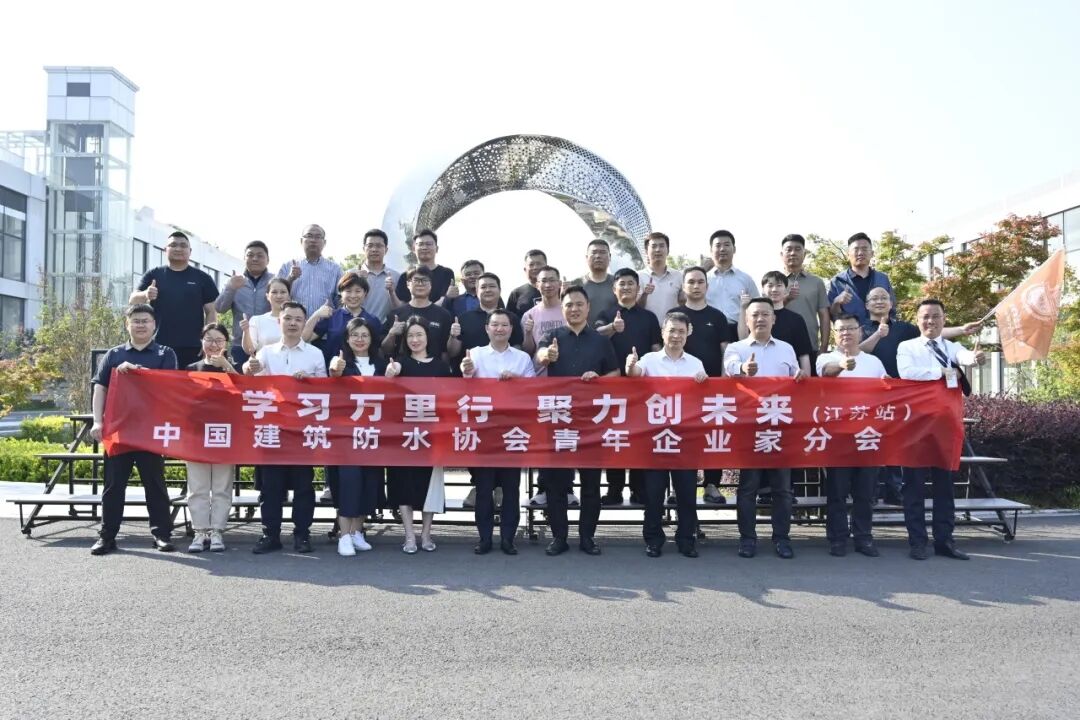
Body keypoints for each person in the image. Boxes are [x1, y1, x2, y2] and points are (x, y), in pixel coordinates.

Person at [897, 299, 986, 561]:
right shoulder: (907, 347)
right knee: (913, 486)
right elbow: (907, 372)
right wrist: (943, 371)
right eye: (925, 316)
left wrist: (974, 358)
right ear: (917, 320)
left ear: (944, 320)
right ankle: (917, 542)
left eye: (936, 316)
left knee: (945, 487)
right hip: (915, 425)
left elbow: (965, 357)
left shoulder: (951, 347)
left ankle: (945, 541)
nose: (930, 321)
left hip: (945, 425)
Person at [535, 285, 619, 556]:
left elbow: (616, 374)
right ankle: (559, 537)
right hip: (559, 420)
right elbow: (539, 355)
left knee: (591, 484)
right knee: (556, 484)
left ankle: (587, 538)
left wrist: (599, 379)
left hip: (591, 422)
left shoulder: (600, 340)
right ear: (562, 309)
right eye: (569, 304)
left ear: (588, 308)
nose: (574, 309)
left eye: (579, 304)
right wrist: (547, 356)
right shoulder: (552, 336)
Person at [89, 304, 179, 556]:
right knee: (113, 486)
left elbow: (171, 385)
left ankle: (161, 535)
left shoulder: (165, 353)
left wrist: (139, 372)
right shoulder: (114, 354)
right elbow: (100, 388)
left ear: (154, 325)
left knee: (155, 484)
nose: (141, 325)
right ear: (127, 324)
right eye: (136, 321)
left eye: (145, 321)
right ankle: (107, 536)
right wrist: (98, 421)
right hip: (118, 430)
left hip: (150, 430)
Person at [724, 298, 806, 560]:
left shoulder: (786, 348)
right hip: (749, 428)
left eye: (765, 314)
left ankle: (782, 538)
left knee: (782, 488)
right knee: (748, 487)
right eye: (755, 315)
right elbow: (730, 368)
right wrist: (743, 369)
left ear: (774, 319)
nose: (760, 319)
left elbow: (797, 379)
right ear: (747, 320)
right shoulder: (736, 348)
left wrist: (800, 377)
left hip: (780, 428)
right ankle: (748, 539)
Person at [243, 301, 327, 554]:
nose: (292, 323)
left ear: (304, 323)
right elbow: (251, 378)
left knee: (304, 486)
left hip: (303, 431)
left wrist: (310, 382)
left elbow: (327, 391)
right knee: (271, 487)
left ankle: (302, 534)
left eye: (298, 319)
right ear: (279, 321)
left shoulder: (315, 354)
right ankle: (270, 535)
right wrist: (249, 368)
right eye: (288, 318)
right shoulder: (266, 352)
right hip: (272, 430)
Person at [626, 311, 708, 558]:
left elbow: (703, 399)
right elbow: (635, 374)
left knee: (686, 494)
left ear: (688, 333)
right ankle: (653, 540)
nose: (676, 336)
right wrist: (630, 365)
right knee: (653, 494)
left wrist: (704, 381)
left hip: (685, 438)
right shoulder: (650, 360)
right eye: (671, 330)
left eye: (681, 331)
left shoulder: (695, 363)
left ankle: (686, 540)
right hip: (656, 437)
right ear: (663, 333)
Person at [461, 309, 536, 555]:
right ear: (487, 328)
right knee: (484, 489)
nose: (500, 329)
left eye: (504, 325)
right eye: (495, 325)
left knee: (511, 488)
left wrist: (516, 379)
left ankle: (507, 538)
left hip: (513, 431)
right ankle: (484, 538)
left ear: (512, 329)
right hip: (484, 431)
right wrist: (466, 372)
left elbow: (534, 390)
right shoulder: (475, 354)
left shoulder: (522, 358)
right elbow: (465, 386)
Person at [816, 314, 888, 558]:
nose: (846, 333)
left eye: (851, 328)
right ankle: (837, 539)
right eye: (841, 330)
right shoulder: (826, 358)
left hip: (868, 435)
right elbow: (826, 373)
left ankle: (863, 537)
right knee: (837, 492)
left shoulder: (874, 362)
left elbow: (886, 391)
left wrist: (889, 385)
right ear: (834, 335)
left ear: (860, 332)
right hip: (838, 436)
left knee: (865, 492)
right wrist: (842, 366)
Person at [385, 316, 452, 554]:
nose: (415, 340)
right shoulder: (401, 363)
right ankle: (409, 535)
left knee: (429, 487)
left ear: (427, 337)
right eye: (410, 336)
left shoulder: (441, 366)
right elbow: (389, 382)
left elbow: (450, 398)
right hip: (403, 436)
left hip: (432, 436)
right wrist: (391, 372)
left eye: (419, 335)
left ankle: (426, 534)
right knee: (403, 484)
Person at [669, 266, 736, 504]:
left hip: (711, 386)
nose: (696, 286)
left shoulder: (717, 316)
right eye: (691, 282)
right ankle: (676, 488)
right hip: (680, 389)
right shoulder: (674, 314)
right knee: (678, 434)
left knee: (712, 435)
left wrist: (723, 382)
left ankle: (712, 485)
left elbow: (725, 350)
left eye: (700, 282)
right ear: (683, 286)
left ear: (707, 286)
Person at [596, 267, 661, 505]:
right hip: (612, 386)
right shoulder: (606, 314)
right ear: (614, 289)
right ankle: (614, 490)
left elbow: (656, 349)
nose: (626, 287)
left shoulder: (649, 317)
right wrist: (613, 328)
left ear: (638, 288)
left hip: (642, 387)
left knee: (640, 439)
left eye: (630, 283)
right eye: (621, 284)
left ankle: (638, 489)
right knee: (615, 438)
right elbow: (595, 335)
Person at [327, 317, 387, 556]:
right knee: (348, 483)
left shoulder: (381, 363)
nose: (360, 340)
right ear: (347, 338)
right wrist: (335, 371)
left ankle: (357, 532)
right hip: (346, 437)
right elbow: (333, 376)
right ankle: (344, 535)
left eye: (364, 335)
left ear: (371, 338)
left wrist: (393, 376)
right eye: (355, 335)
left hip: (373, 436)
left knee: (369, 483)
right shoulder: (340, 362)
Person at [184, 323, 239, 553]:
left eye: (219, 340)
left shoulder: (233, 368)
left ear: (226, 343)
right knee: (198, 486)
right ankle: (199, 531)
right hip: (196, 435)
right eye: (209, 339)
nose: (213, 344)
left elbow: (244, 391)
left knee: (221, 487)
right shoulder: (191, 368)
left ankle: (217, 531)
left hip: (225, 435)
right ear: (201, 341)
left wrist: (226, 366)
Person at [130, 230, 218, 368]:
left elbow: (211, 311)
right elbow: (132, 300)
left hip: (193, 347)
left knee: (191, 382)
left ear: (190, 251)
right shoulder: (154, 274)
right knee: (159, 382)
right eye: (173, 245)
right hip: (158, 345)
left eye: (183, 245)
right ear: (165, 249)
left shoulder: (202, 278)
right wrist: (146, 294)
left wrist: (208, 341)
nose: (178, 249)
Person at [738, 271, 813, 376]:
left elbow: (803, 354)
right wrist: (743, 308)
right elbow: (742, 339)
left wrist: (806, 379)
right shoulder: (755, 317)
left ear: (786, 290)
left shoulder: (796, 319)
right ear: (763, 290)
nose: (774, 289)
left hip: (787, 376)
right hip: (757, 375)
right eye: (770, 285)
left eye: (779, 285)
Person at [302, 271, 381, 369]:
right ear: (341, 293)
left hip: (364, 373)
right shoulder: (331, 317)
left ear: (365, 293)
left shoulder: (373, 320)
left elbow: (377, 350)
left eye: (358, 291)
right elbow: (304, 338)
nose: (353, 295)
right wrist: (316, 315)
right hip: (334, 372)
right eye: (348, 291)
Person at [215, 240, 273, 365]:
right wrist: (231, 288)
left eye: (260, 255)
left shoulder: (274, 281)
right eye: (250, 255)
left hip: (269, 345)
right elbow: (220, 308)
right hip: (240, 344)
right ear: (244, 258)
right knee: (239, 377)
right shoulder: (234, 280)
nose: (255, 259)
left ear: (268, 260)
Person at [382, 266, 457, 361]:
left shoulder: (443, 315)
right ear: (408, 284)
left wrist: (454, 336)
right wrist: (391, 334)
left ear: (431, 284)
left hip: (433, 368)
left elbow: (446, 353)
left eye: (424, 280)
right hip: (402, 368)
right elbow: (385, 350)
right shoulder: (396, 315)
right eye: (416, 280)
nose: (420, 284)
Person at [780, 234, 831, 369]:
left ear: (805, 254)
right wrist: (787, 299)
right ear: (781, 254)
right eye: (789, 249)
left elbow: (824, 316)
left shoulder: (816, 282)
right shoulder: (773, 282)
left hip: (810, 346)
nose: (793, 253)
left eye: (797, 249)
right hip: (778, 347)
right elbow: (768, 311)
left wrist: (824, 347)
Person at [827, 232, 896, 325]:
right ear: (848, 255)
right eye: (856, 250)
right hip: (851, 332)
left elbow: (892, 308)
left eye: (864, 249)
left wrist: (889, 328)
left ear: (872, 253)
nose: (860, 253)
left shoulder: (882, 279)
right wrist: (836, 302)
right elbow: (832, 316)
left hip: (881, 330)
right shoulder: (838, 281)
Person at [277, 224, 343, 317]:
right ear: (301, 241)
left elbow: (341, 298)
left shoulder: (335, 269)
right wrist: (290, 278)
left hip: (325, 323)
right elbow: (276, 295)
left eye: (318, 237)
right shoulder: (287, 266)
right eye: (309, 236)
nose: (313, 240)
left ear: (324, 242)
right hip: (294, 322)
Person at [704, 229, 757, 330]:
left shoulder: (746, 279)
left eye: (727, 245)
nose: (722, 249)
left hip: (738, 330)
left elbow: (756, 306)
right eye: (718, 245)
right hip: (709, 329)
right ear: (711, 250)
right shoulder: (704, 280)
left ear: (734, 249)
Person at [349, 228, 401, 324]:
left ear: (386, 250)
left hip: (384, 330)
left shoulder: (396, 277)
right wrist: (355, 282)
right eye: (370, 246)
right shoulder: (351, 274)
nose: (374, 249)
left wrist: (391, 292)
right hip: (355, 329)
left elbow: (400, 310)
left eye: (379, 246)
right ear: (363, 248)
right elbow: (341, 305)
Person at [394, 229, 455, 303]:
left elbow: (448, 303)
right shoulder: (405, 276)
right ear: (413, 249)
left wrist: (447, 297)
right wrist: (390, 291)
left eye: (429, 244)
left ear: (437, 249)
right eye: (420, 244)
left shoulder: (447, 274)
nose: (424, 247)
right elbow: (401, 306)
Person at [637, 231, 683, 324]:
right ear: (646, 251)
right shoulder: (638, 276)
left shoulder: (678, 276)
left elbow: (684, 303)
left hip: (671, 329)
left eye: (662, 246)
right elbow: (635, 307)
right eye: (653, 246)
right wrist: (645, 294)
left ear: (668, 250)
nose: (658, 250)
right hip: (646, 328)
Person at [520, 266, 567, 358]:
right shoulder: (529, 315)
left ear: (559, 284)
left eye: (552, 280)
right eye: (544, 281)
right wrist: (528, 333)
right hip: (541, 365)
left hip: (567, 365)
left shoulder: (569, 310)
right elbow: (528, 351)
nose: (548, 285)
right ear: (537, 285)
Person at [241, 277, 291, 355]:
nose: (279, 296)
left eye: (283, 292)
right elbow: (250, 349)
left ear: (288, 296)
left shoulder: (296, 320)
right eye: (274, 292)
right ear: (267, 296)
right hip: (263, 362)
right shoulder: (257, 320)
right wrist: (246, 331)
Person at [575, 239, 618, 326]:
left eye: (602, 252)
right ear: (587, 257)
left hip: (613, 332)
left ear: (609, 256)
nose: (598, 256)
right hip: (584, 333)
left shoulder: (618, 283)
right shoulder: (576, 284)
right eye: (594, 252)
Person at [506, 249, 547, 314]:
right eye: (531, 264)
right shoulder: (516, 294)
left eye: (538, 264)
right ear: (525, 269)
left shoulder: (558, 290)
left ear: (547, 267)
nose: (535, 267)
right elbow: (509, 318)